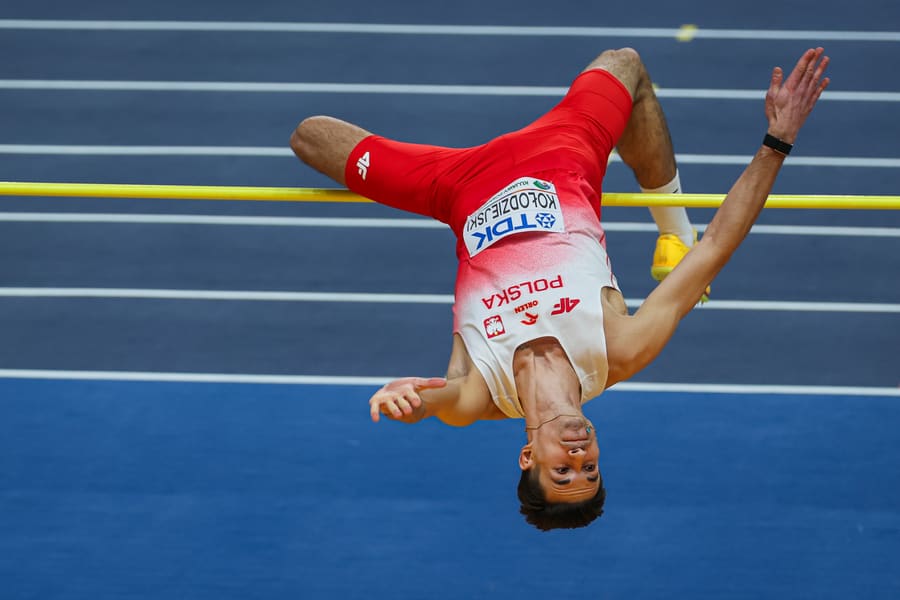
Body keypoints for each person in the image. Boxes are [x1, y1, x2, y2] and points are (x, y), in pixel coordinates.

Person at [290, 47, 830, 531]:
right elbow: (716, 247)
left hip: (456, 185)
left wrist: (409, 401)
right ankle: (671, 234)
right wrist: (777, 141)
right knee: (624, 65)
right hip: (563, 152)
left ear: (528, 457)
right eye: (590, 467)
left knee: (309, 136)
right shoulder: (621, 350)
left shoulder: (481, 394)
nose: (578, 453)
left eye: (563, 469)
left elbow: (438, 403)